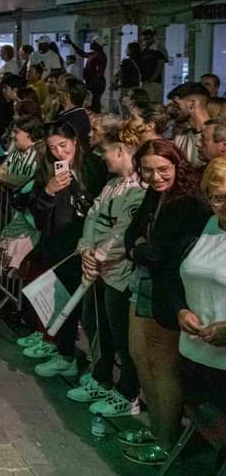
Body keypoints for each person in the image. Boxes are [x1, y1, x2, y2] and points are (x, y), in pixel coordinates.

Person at [120, 139, 211, 466]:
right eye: (148, 170)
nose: (156, 176)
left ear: (176, 166)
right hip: (142, 284)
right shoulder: (151, 194)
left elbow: (162, 254)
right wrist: (139, 247)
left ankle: (166, 440)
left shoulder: (188, 203)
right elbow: (131, 237)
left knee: (163, 367)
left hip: (167, 292)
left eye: (163, 169)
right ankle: (156, 427)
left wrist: (143, 248)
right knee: (139, 356)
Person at [67, 125, 145, 418]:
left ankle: (126, 393)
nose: (104, 159)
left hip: (119, 273)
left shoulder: (139, 189)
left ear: (122, 151)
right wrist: (86, 249)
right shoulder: (112, 185)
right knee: (94, 324)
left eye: (107, 152)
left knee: (119, 334)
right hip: (96, 269)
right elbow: (92, 217)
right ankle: (100, 378)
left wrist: (98, 256)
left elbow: (123, 232)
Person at [21, 122, 108, 376]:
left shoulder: (95, 166)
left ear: (75, 142)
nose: (60, 152)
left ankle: (98, 371)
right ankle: (65, 354)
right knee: (64, 302)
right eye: (53, 148)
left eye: (63, 145)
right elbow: (37, 210)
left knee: (92, 312)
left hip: (93, 246)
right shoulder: (46, 170)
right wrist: (49, 191)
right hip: (60, 246)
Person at [173, 157, 226, 457]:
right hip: (194, 352)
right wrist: (180, 309)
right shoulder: (200, 226)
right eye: (217, 197)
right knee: (207, 423)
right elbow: (175, 277)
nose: (224, 205)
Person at [137, 29, 168, 104]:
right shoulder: (145, 50)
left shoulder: (158, 50)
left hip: (154, 82)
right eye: (145, 39)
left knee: (153, 102)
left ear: (153, 38)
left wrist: (152, 79)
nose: (146, 41)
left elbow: (160, 66)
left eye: (148, 38)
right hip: (145, 81)